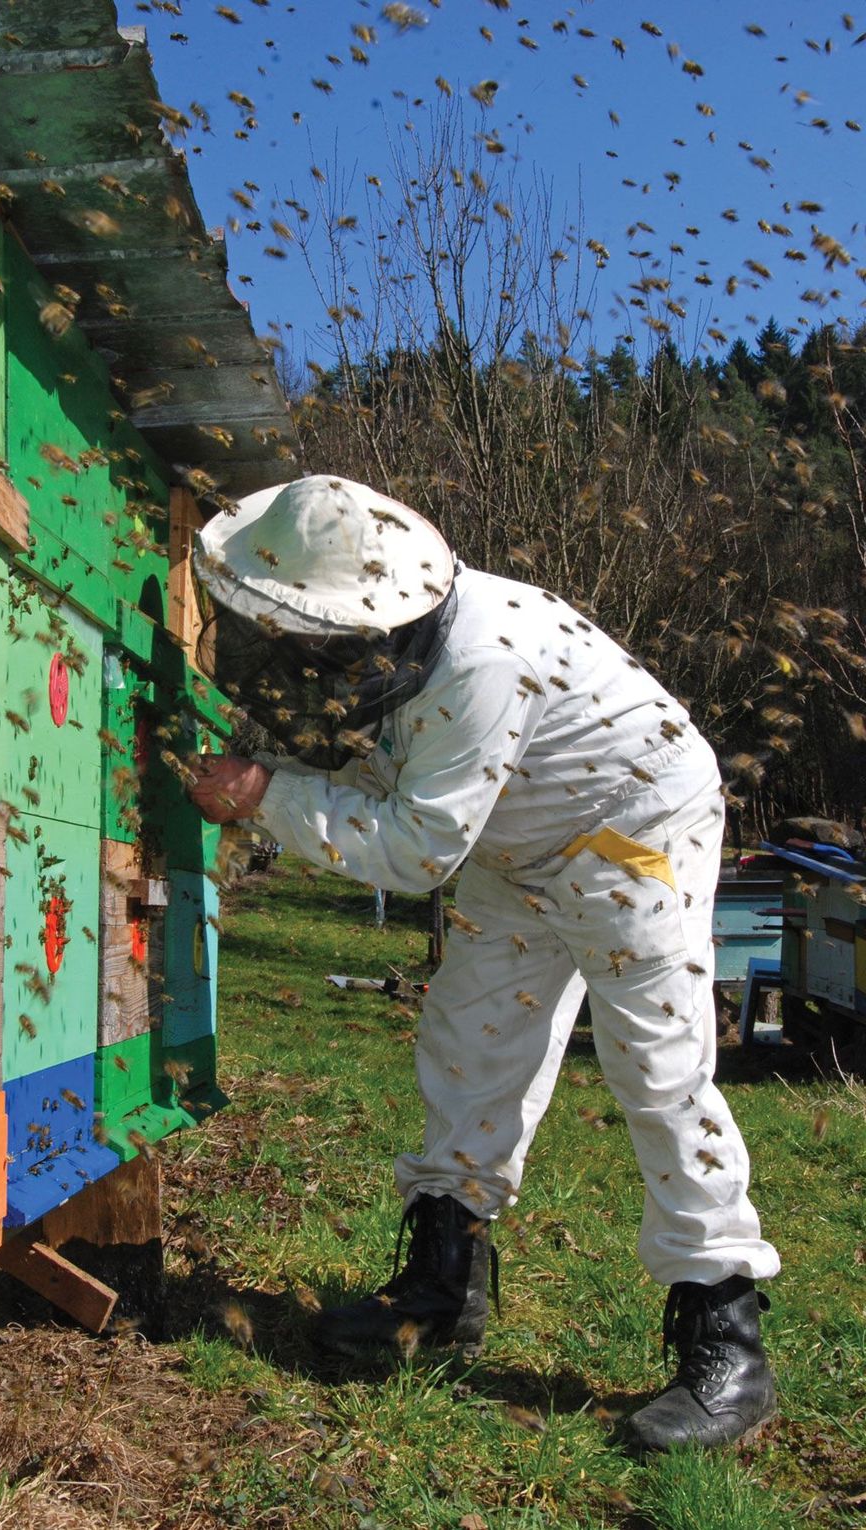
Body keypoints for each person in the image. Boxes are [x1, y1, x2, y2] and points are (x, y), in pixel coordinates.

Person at [186, 474, 779, 1453]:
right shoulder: (397, 648)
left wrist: (265, 798)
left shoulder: (481, 659)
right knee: (468, 1045)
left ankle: (727, 1342)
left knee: (657, 1072)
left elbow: (417, 850)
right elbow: (404, 784)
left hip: (634, 836)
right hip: (512, 846)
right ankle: (439, 1294)